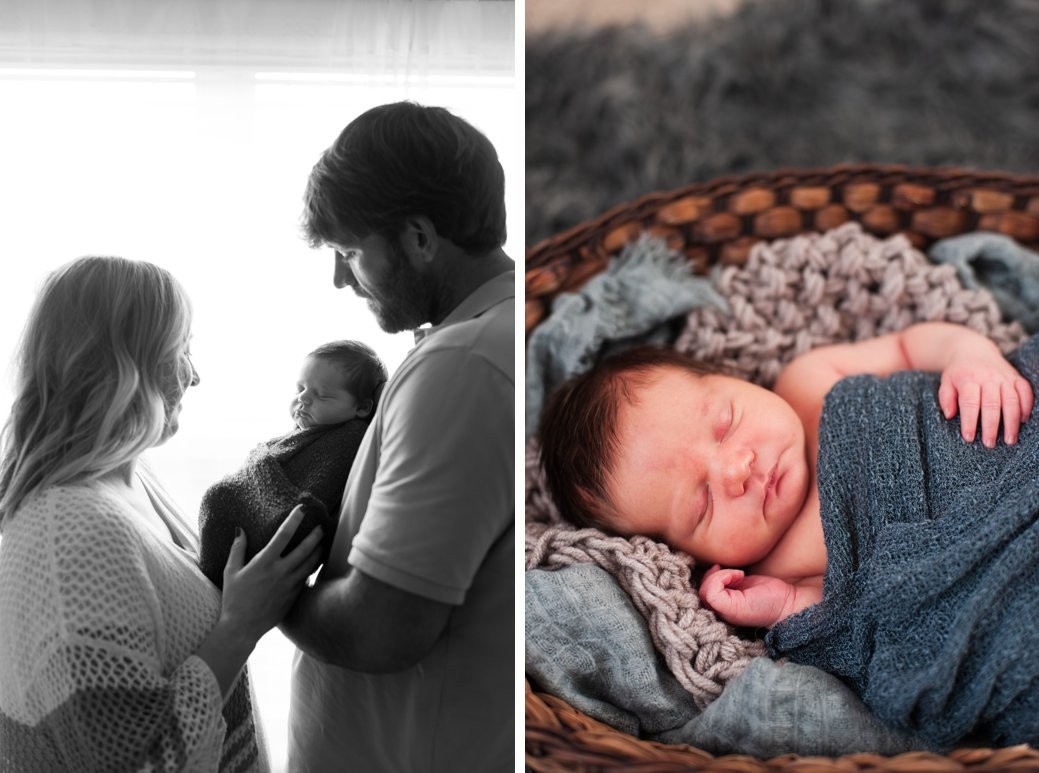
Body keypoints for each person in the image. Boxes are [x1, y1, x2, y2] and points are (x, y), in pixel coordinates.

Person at [0, 256, 324, 772]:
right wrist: (240, 625)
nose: (194, 376)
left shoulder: (131, 477)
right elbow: (137, 765)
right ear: (125, 364)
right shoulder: (68, 533)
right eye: (182, 351)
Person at [279, 101, 514, 772]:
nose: (338, 277)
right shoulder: (492, 331)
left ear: (417, 237)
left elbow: (382, 629)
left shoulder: (464, 362)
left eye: (350, 252)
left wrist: (266, 590)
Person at [537, 320, 1033, 628]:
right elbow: (852, 612)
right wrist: (784, 604)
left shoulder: (807, 381)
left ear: (737, 379)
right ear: (686, 553)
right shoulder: (775, 567)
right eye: (703, 504)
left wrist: (969, 357)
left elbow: (908, 345)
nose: (736, 471)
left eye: (726, 424)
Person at [197, 340, 387, 587]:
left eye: (322, 395)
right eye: (300, 389)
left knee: (220, 496)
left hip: (274, 526)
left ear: (361, 408)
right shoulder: (310, 431)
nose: (303, 399)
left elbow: (318, 494)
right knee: (219, 495)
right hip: (239, 527)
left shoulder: (352, 438)